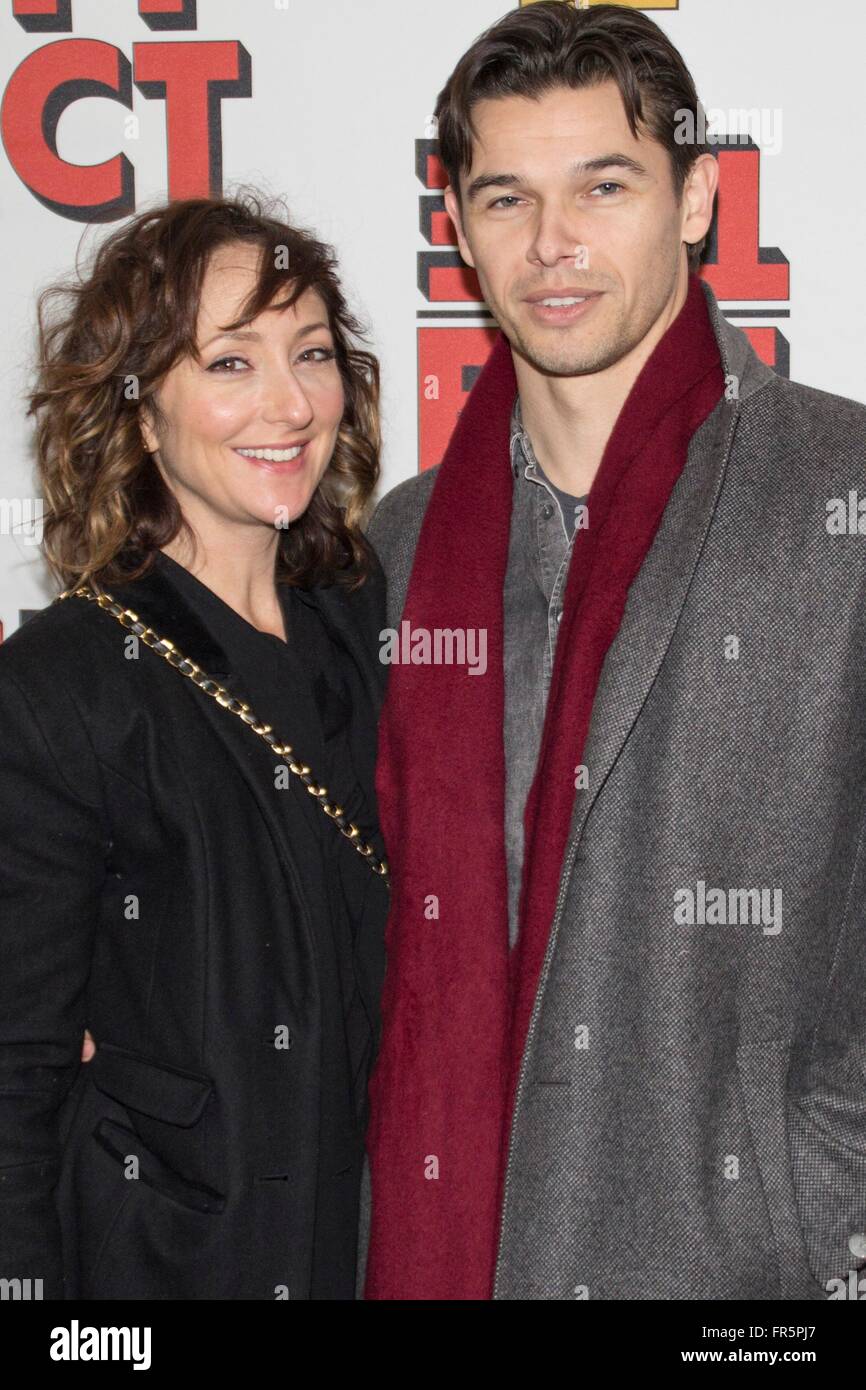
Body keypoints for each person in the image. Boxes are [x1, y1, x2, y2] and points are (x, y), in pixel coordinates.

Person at [361, 2, 866, 1300]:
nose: (552, 245)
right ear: (459, 229)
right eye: (506, 198)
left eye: (603, 185)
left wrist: (820, 1212)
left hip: (743, 1275)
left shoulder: (838, 489)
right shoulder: (401, 543)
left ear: (696, 198)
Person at [0, 194, 389, 1300]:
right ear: (135, 413)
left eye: (309, 354)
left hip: (373, 1253)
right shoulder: (59, 690)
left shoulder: (373, 628)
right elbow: (16, 1075)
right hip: (160, 1276)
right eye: (229, 363)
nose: (289, 402)